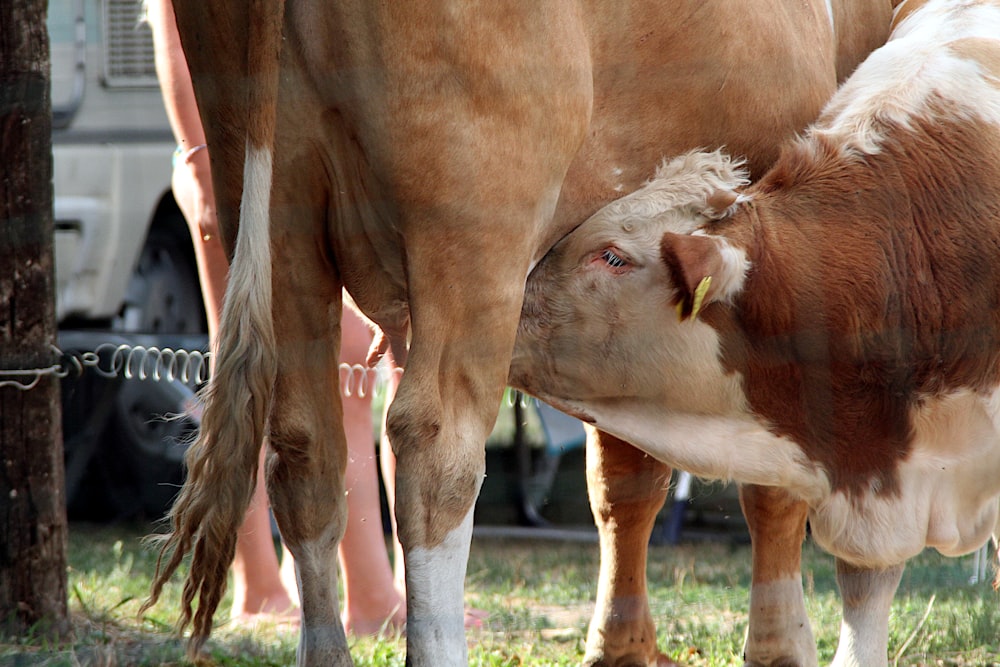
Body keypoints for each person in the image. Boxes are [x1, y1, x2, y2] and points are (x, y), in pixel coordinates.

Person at [146, 0, 407, 635]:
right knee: (271, 356)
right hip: (230, 152)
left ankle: (323, 588)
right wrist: (202, 159)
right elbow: (175, 26)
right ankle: (300, 589)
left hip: (302, 145)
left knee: (314, 358)